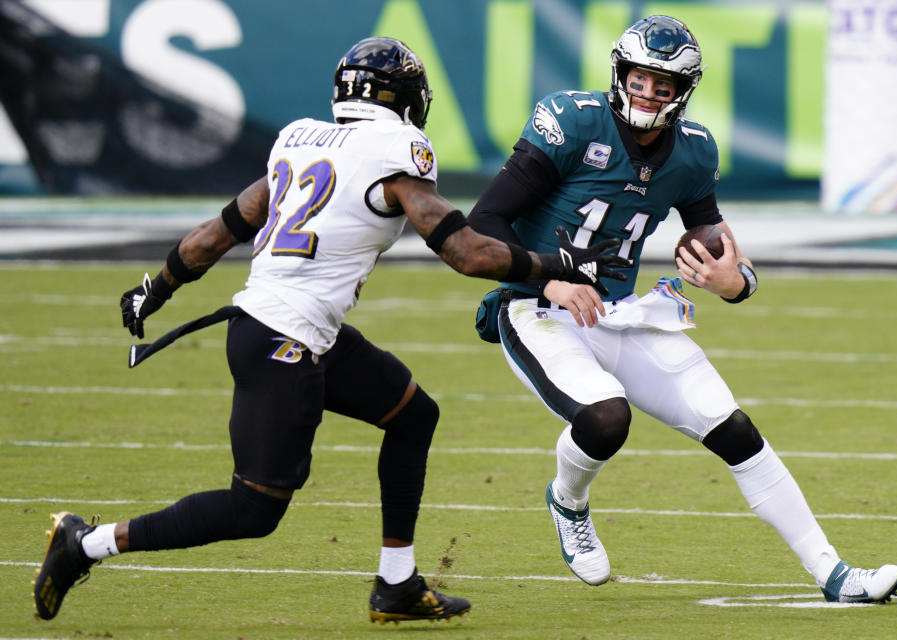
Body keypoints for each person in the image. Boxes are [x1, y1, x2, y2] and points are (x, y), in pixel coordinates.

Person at [31, 37, 628, 625]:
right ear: (407, 100)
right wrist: (554, 266)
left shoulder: (299, 139)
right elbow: (466, 253)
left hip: (293, 329)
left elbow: (223, 228)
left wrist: (156, 287)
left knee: (414, 414)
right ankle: (85, 544)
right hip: (279, 339)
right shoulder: (398, 149)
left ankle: (396, 583)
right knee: (254, 509)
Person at [467, 15, 897, 604]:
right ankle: (568, 500)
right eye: (640, 79)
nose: (648, 94)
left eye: (664, 85)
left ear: (684, 91)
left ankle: (834, 573)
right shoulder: (572, 122)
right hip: (535, 308)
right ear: (620, 75)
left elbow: (725, 253)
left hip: (620, 311)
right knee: (605, 418)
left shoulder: (693, 152)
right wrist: (548, 281)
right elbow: (482, 226)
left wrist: (734, 282)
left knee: (733, 428)